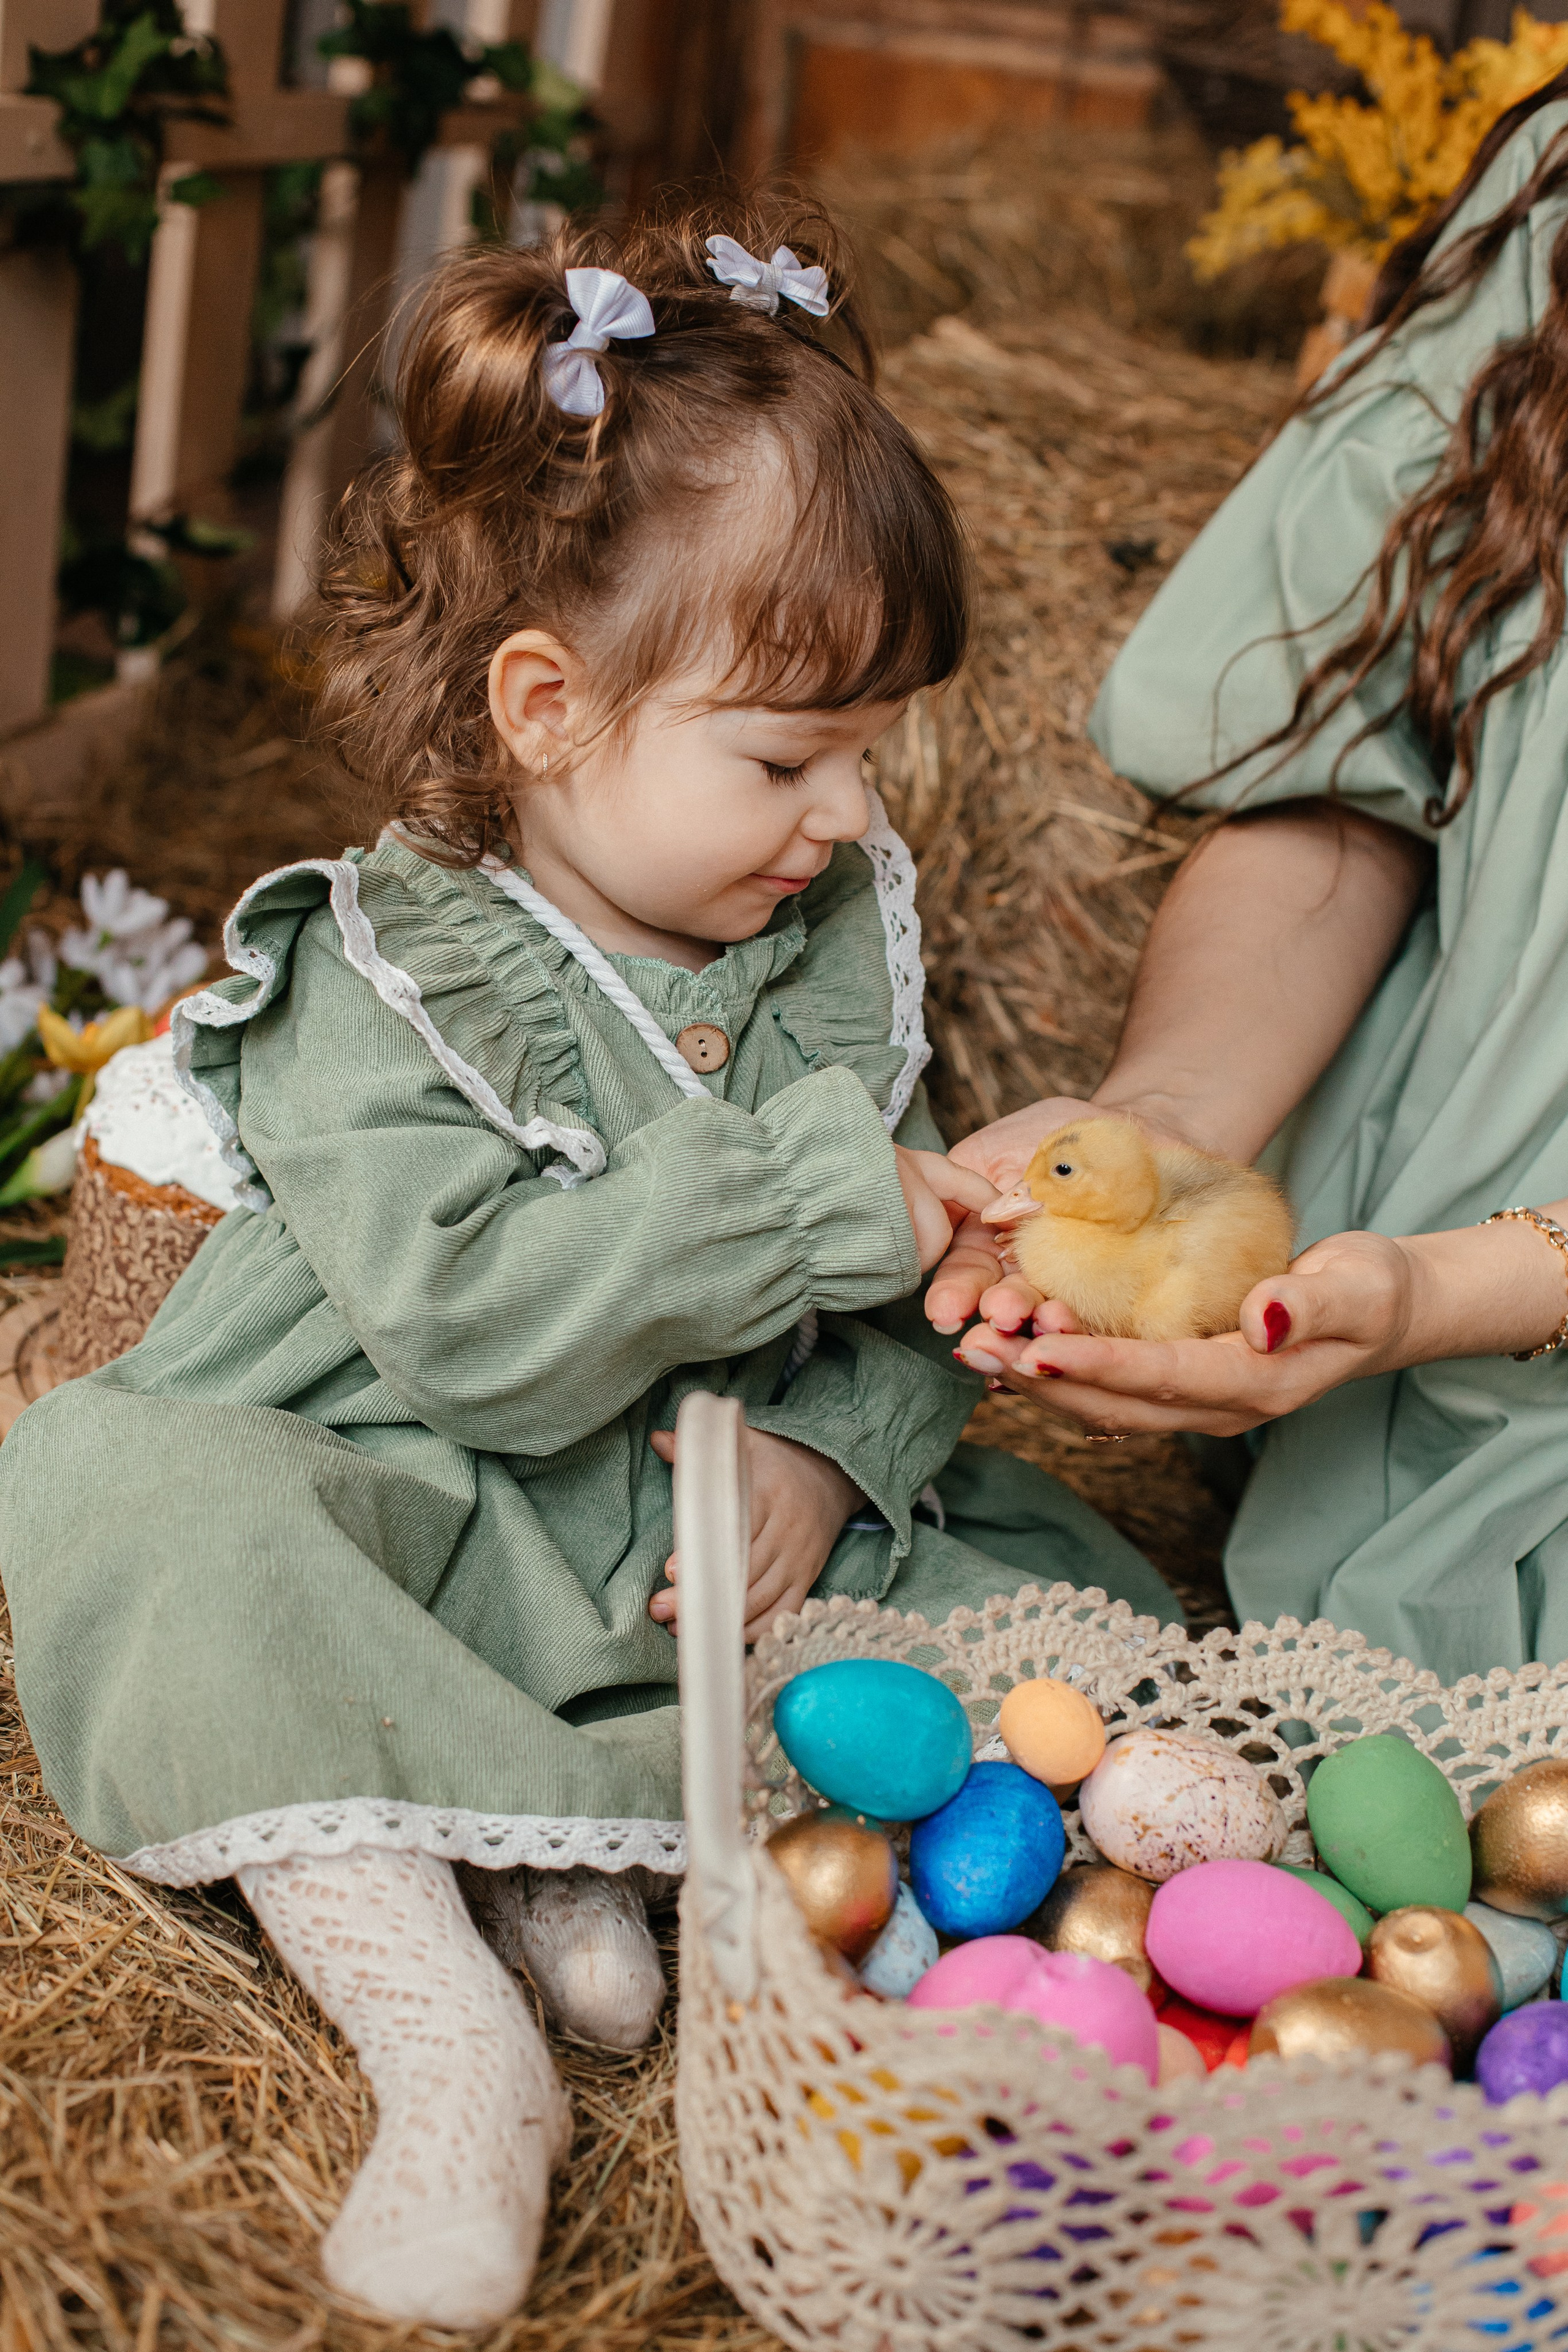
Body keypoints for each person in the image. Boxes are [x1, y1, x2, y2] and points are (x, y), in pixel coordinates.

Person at [0, 204, 1175, 2328]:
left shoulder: (824, 931)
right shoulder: (371, 971)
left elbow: (914, 1297)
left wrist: (838, 1444)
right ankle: (445, 2026)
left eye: (877, 749)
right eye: (787, 755)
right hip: (437, 1499)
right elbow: (477, 1336)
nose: (845, 813)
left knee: (1092, 1619)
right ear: (545, 707)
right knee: (133, 1500)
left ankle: (556, 1847)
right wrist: (819, 1214)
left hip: (689, 1550)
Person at [932, 78, 1568, 1687]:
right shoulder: (1550, 227)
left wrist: (1453, 1290)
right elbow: (1343, 801)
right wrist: (1171, 1132)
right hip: (1420, 1370)